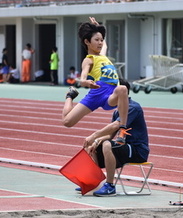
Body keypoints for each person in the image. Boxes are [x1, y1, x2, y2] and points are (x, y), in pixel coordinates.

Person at [62, 17, 129, 145]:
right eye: (96, 40)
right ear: (87, 42)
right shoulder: (89, 59)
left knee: (123, 89)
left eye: (101, 40)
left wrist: (98, 27)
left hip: (110, 94)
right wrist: (85, 82)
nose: (100, 42)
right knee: (67, 122)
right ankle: (70, 96)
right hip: (96, 93)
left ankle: (122, 129)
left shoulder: (103, 56)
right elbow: (82, 78)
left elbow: (105, 44)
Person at [82, 78, 150, 197]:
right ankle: (93, 181)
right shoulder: (117, 111)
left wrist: (94, 135)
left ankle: (110, 186)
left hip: (137, 150)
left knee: (107, 144)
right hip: (123, 147)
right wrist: (96, 141)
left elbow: (115, 125)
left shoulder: (132, 108)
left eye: (111, 91)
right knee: (94, 146)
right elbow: (110, 135)